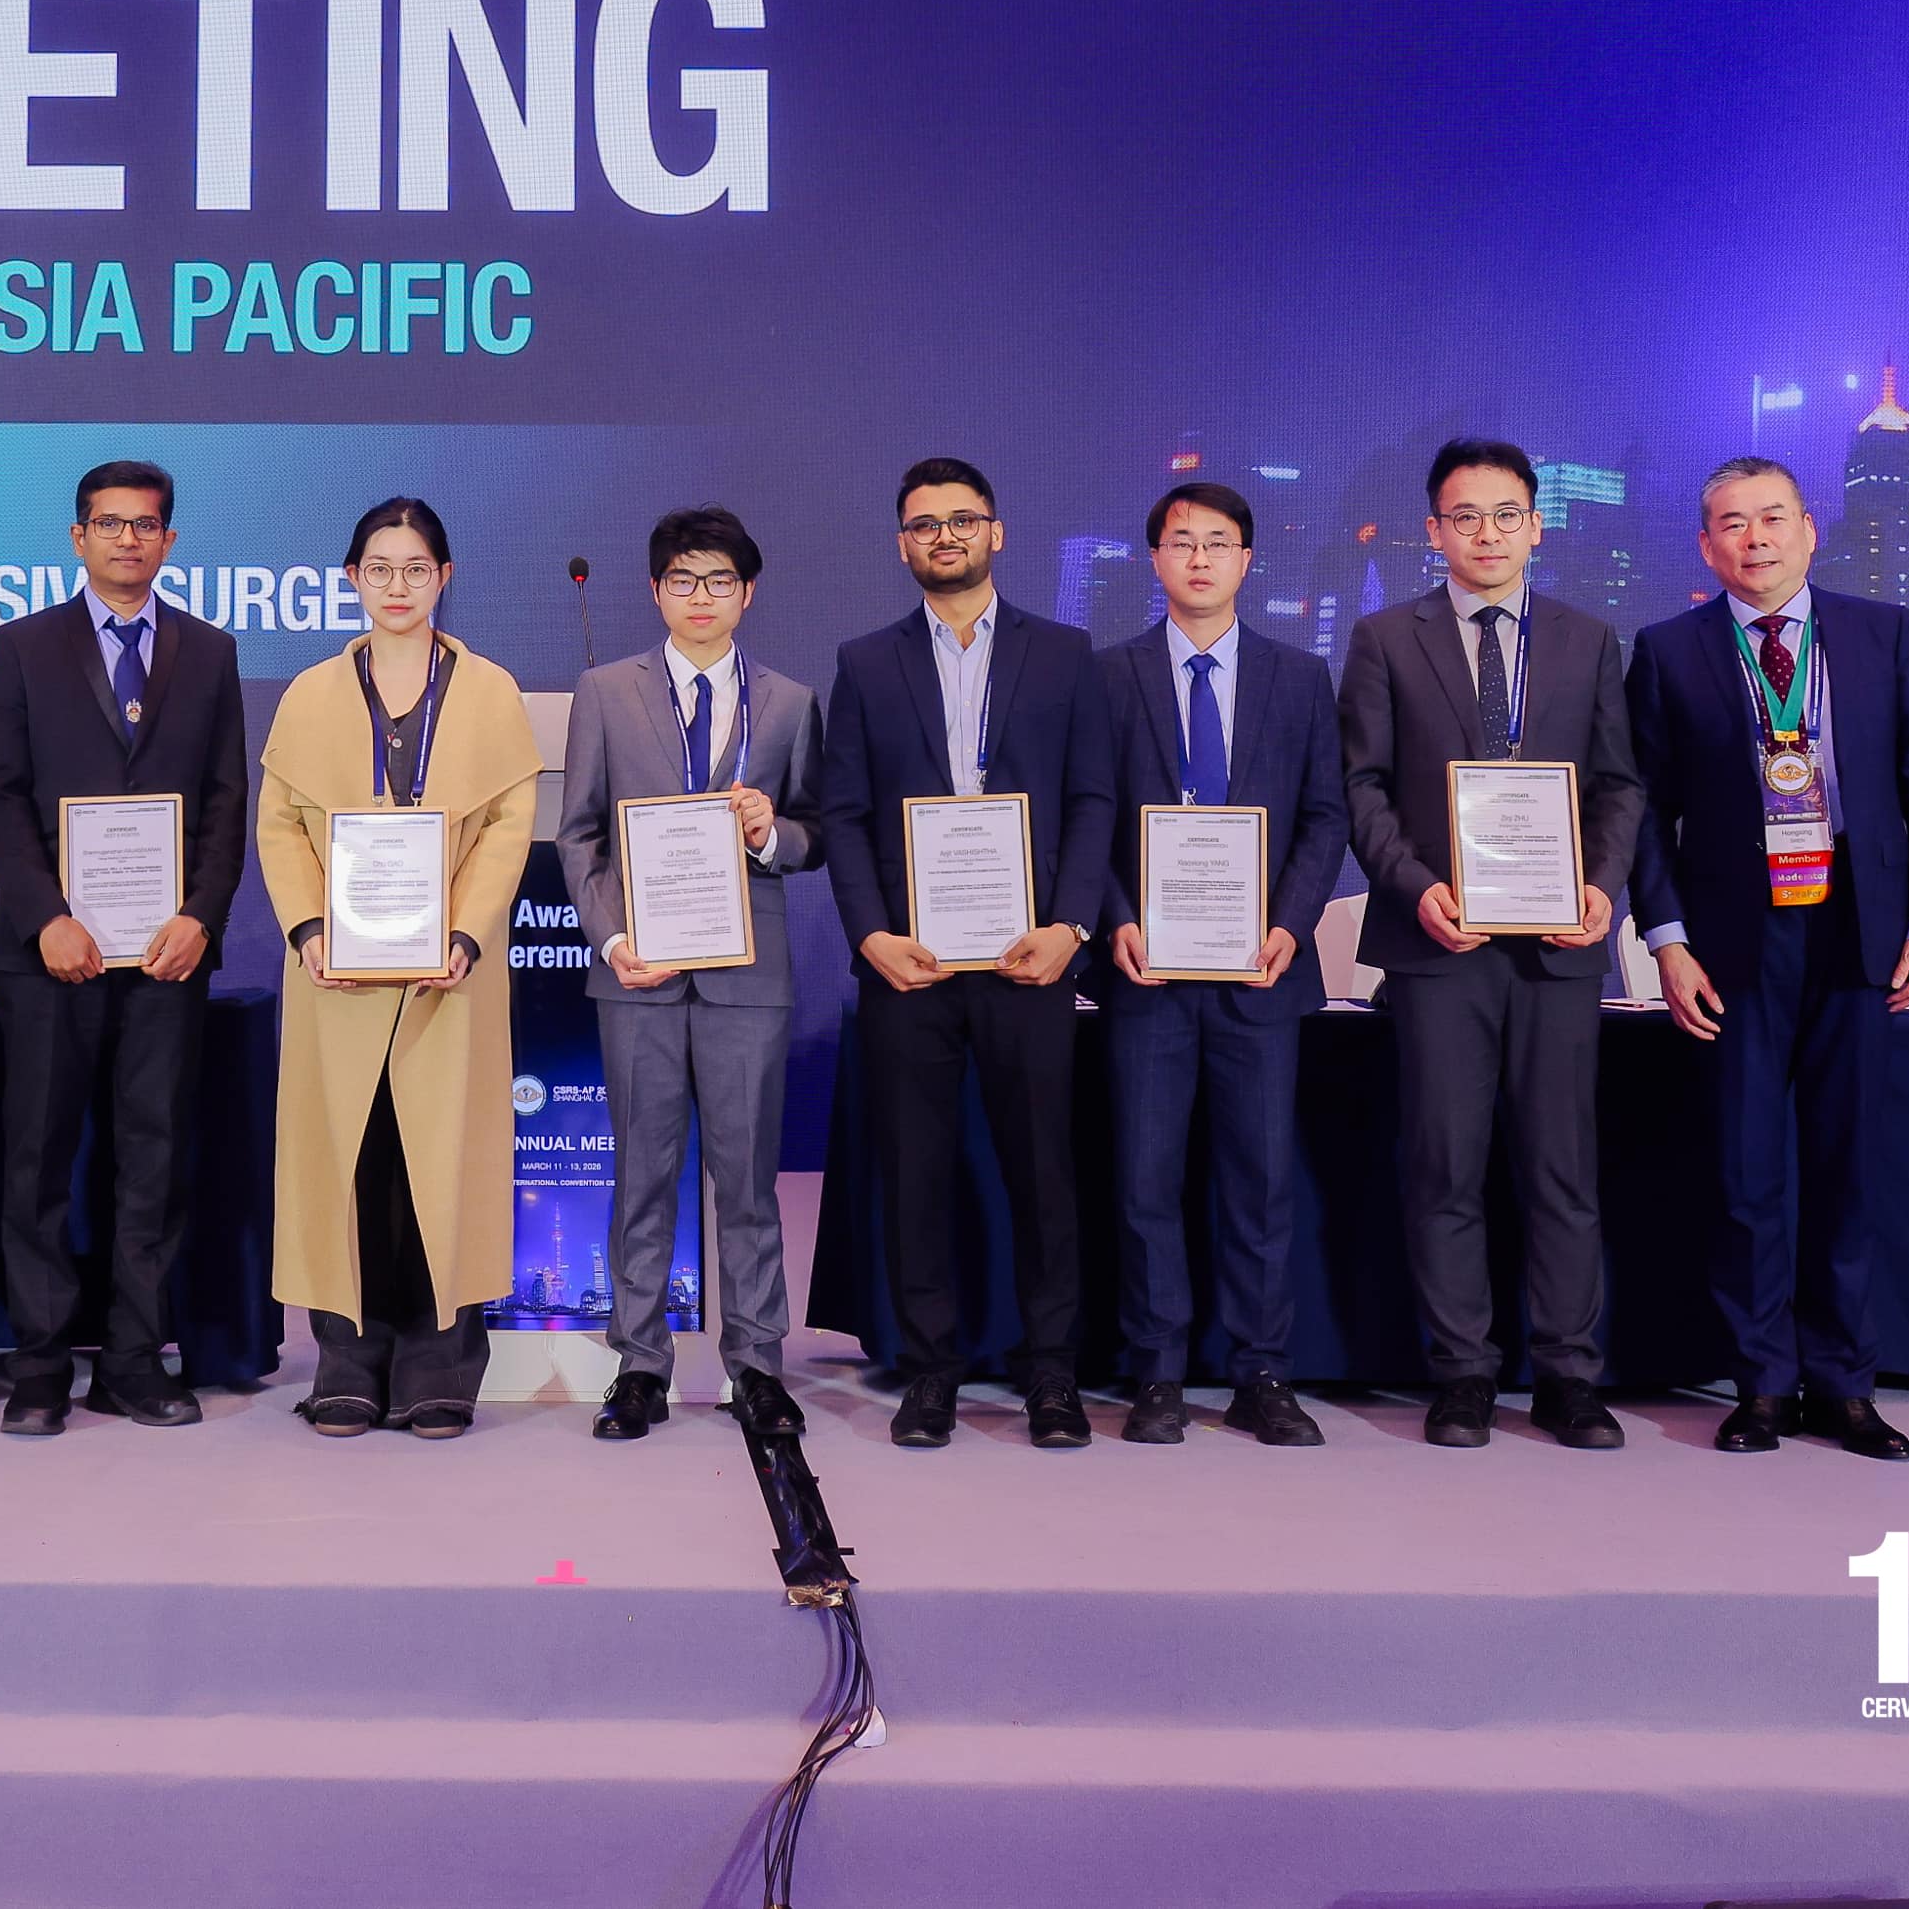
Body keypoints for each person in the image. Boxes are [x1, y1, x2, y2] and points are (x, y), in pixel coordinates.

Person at [1630, 457, 1909, 1464]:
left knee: (1843, 1166)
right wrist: (1666, 938)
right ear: (1706, 546)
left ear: (1809, 530)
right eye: (1732, 523)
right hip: (1733, 937)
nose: (1756, 539)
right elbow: (1642, 810)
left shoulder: (1881, 632)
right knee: (1745, 1173)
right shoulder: (1667, 650)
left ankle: (1846, 1386)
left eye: (1772, 518)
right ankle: (1763, 1384)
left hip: (1858, 927)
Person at [1337, 437, 1646, 1452]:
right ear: (1435, 530)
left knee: (1562, 1168)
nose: (1486, 533)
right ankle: (1463, 1373)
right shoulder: (1386, 638)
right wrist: (1416, 887)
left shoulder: (1587, 639)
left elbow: (1618, 784)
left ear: (1536, 526)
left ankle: (1568, 1375)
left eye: (1505, 514)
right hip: (1439, 945)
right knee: (1443, 1165)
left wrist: (1600, 886)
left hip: (1556, 945)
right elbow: (1362, 787)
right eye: (1464, 516)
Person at [819, 458, 1116, 1453]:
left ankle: (1052, 1375)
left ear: (997, 532)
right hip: (911, 964)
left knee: (1043, 1173)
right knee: (917, 1173)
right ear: (901, 544)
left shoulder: (1065, 653)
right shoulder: (866, 663)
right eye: (923, 524)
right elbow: (845, 813)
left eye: (961, 519)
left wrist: (1071, 927)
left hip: (1030, 957)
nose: (943, 536)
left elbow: (1092, 800)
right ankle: (930, 1370)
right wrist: (870, 934)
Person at [253, 498, 542, 1439]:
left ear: (444, 576)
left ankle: (440, 1361)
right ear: (352, 578)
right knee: (350, 1161)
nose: (398, 586)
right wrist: (308, 929)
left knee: (440, 1162)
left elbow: (507, 827)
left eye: (416, 568)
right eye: (379, 568)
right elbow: (281, 826)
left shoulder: (490, 691)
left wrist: (465, 932)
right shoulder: (309, 695)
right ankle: (346, 1356)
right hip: (335, 977)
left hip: (447, 977)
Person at [0, 461, 250, 1436]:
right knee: (37, 1162)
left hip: (166, 954)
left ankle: (134, 1360)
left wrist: (201, 916)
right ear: (78, 537)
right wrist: (45, 914)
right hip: (50, 953)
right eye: (109, 523)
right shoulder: (22, 645)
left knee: (154, 1159)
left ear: (169, 541)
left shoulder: (209, 652)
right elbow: (2, 797)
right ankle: (40, 1367)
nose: (127, 539)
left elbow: (228, 802)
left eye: (145, 525)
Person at [551, 505, 826, 1444]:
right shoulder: (605, 691)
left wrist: (772, 832)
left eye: (718, 580)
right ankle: (639, 1364)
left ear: (748, 592)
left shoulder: (790, 701)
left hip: (748, 977)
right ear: (655, 589)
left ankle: (758, 1366)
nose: (700, 596)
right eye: (681, 579)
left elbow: (818, 831)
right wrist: (610, 938)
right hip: (640, 974)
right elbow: (578, 832)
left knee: (746, 1180)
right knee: (643, 1174)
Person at [1094, 480, 1349, 1449]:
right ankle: (1157, 1373)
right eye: (1180, 541)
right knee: (1144, 1181)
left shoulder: (1300, 676)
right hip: (1146, 974)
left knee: (1260, 1181)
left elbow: (1324, 815)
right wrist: (1115, 918)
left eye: (1217, 542)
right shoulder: (1106, 677)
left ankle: (1260, 1371)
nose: (1198, 558)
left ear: (1247, 559)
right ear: (1155, 558)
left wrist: (1291, 924)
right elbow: (1084, 814)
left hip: (1258, 970)